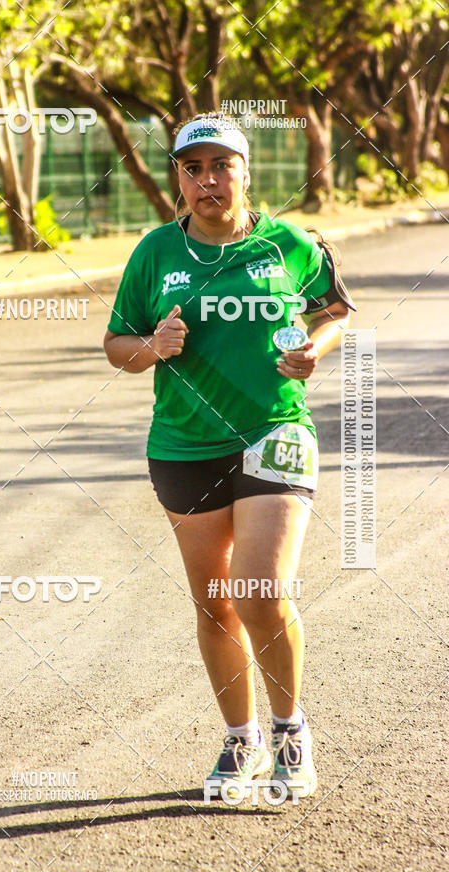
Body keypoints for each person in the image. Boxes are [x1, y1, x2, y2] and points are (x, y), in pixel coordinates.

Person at [103, 113, 355, 800]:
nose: (207, 180)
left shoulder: (290, 244)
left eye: (221, 166)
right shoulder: (155, 253)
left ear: (246, 172)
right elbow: (117, 346)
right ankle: (242, 741)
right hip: (183, 444)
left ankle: (290, 730)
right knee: (216, 604)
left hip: (275, 430)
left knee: (259, 590)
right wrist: (151, 346)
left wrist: (313, 350)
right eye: (193, 169)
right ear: (179, 179)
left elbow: (334, 309)